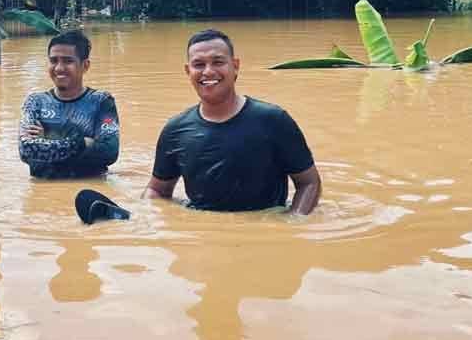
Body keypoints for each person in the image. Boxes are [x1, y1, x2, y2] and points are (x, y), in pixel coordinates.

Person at [143, 28, 321, 214]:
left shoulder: (273, 120)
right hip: (203, 236)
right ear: (188, 71)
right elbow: (157, 190)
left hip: (264, 233)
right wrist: (147, 220)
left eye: (218, 62)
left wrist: (294, 222)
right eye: (199, 65)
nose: (208, 71)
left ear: (235, 66)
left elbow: (309, 183)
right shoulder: (175, 130)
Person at [19, 30, 120, 178]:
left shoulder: (101, 101)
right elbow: (26, 151)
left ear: (85, 66)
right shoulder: (35, 102)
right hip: (44, 191)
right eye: (54, 61)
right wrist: (85, 142)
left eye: (68, 61)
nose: (59, 68)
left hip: (89, 188)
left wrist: (47, 141)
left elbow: (109, 151)